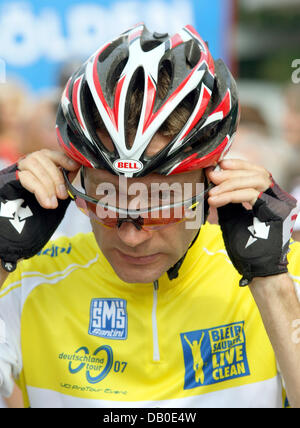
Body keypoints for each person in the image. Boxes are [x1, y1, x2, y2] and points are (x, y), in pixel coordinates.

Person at [0, 23, 300, 409]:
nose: (132, 236)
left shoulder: (281, 274)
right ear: (75, 180)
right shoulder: (28, 279)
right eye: (107, 202)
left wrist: (271, 282)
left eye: (162, 204)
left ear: (212, 182)